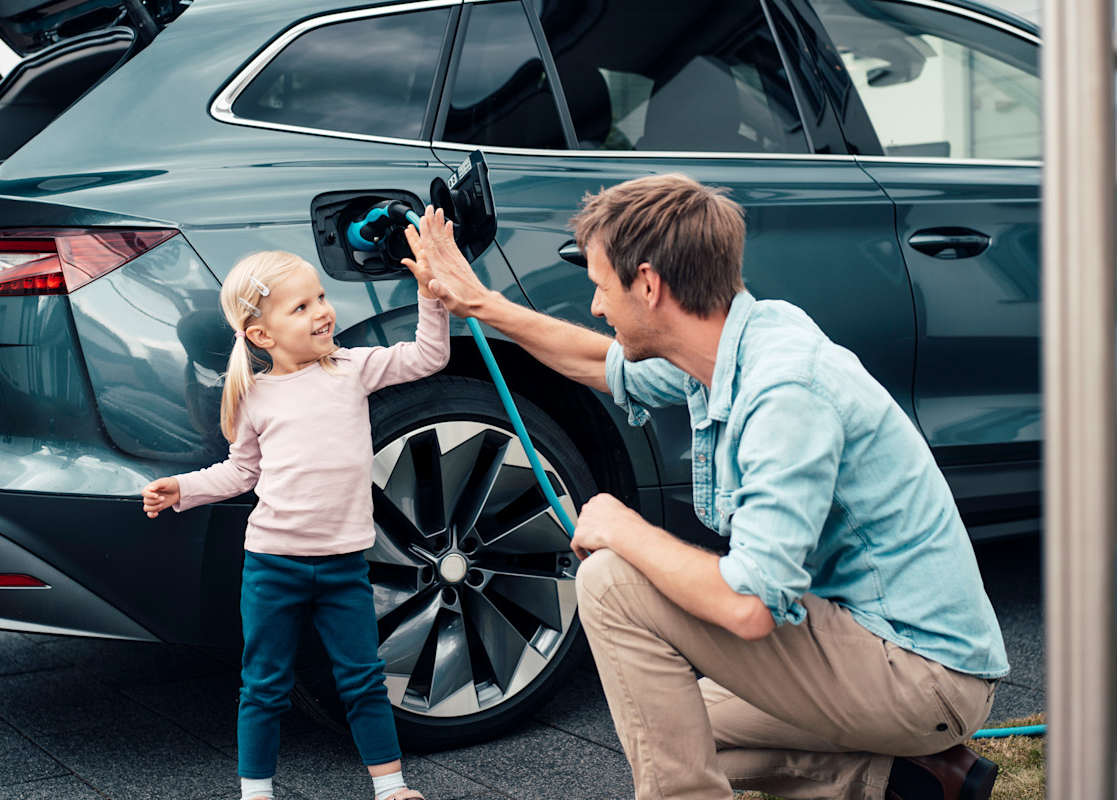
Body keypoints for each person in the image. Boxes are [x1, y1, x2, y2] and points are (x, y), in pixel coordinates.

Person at [404, 174, 1009, 800]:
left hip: (920, 674)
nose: (597, 307)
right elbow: (600, 364)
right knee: (671, 723)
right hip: (867, 643)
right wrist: (478, 302)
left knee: (611, 581)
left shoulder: (784, 395)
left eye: (601, 287)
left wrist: (625, 529)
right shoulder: (730, 342)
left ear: (648, 284)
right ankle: (913, 783)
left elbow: (750, 606)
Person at [141, 250, 447, 800]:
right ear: (262, 335)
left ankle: (392, 787)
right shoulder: (255, 397)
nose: (323, 312)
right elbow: (240, 472)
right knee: (264, 685)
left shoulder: (352, 369)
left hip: (343, 565)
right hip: (272, 565)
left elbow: (428, 356)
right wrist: (184, 489)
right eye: (302, 306)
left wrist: (430, 295)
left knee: (362, 678)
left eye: (322, 298)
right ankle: (256, 792)